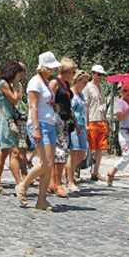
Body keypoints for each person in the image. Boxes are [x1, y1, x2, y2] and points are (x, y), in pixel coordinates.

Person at [15, 52, 62, 211]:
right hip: (39, 124)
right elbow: (33, 106)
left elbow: (43, 103)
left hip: (49, 123)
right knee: (46, 162)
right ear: (45, 67)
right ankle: (23, 185)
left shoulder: (45, 82)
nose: (54, 69)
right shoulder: (35, 82)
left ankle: (42, 201)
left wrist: (53, 107)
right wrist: (35, 128)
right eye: (51, 67)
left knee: (49, 164)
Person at [0, 60, 26, 194]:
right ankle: (19, 183)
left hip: (9, 119)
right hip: (5, 121)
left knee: (3, 152)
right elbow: (15, 99)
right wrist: (16, 86)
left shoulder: (7, 84)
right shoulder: (4, 84)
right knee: (15, 152)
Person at [48, 58, 78, 197]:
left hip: (66, 122)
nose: (73, 75)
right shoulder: (55, 83)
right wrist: (54, 107)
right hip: (57, 121)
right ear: (66, 72)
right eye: (72, 72)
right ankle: (58, 183)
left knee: (61, 154)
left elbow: (70, 106)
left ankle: (53, 182)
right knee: (60, 154)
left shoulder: (66, 85)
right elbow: (47, 100)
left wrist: (75, 122)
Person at [84, 64, 109, 182]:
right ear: (93, 74)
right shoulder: (87, 87)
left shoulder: (101, 89)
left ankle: (95, 172)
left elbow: (102, 105)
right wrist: (86, 123)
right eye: (99, 74)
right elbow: (86, 106)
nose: (100, 77)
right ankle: (75, 169)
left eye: (102, 75)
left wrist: (105, 119)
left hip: (100, 120)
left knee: (100, 148)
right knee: (88, 147)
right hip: (92, 120)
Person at [67, 70, 90, 192]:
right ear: (76, 81)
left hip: (81, 125)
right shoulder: (71, 93)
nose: (85, 85)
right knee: (74, 152)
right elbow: (70, 110)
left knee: (82, 153)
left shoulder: (81, 95)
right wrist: (75, 123)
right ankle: (70, 180)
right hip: (73, 125)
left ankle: (67, 172)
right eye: (84, 82)